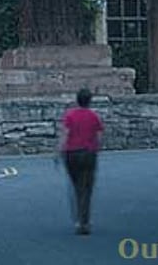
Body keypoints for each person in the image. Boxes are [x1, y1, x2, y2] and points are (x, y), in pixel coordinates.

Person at [60, 87, 103, 235]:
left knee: (77, 187)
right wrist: (96, 150)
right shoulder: (94, 116)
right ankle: (84, 221)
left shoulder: (70, 115)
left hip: (71, 153)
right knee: (87, 188)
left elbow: (65, 134)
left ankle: (80, 220)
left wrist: (59, 151)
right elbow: (99, 137)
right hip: (88, 153)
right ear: (90, 101)